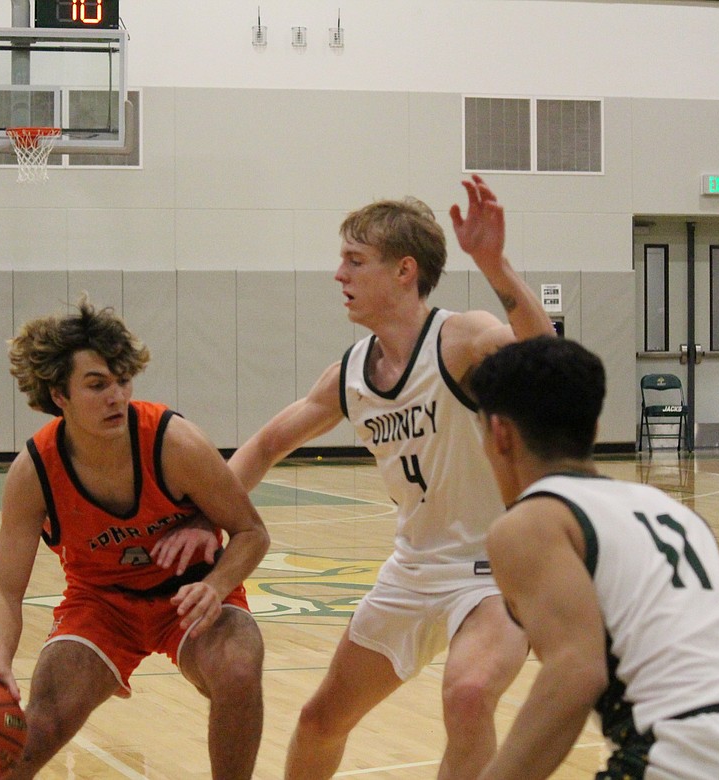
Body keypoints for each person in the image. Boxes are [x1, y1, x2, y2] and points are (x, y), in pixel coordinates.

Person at [223, 174, 555, 779]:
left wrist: (495, 264)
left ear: (405, 271)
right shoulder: (351, 372)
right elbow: (269, 443)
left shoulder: (462, 338)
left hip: (495, 570)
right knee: (321, 720)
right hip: (412, 570)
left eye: (355, 260)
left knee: (469, 695)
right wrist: (199, 518)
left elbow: (547, 360)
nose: (339, 275)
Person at [470, 336, 719, 780]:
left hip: (698, 750)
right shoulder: (676, 511)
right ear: (594, 429)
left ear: (499, 433)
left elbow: (575, 672)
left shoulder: (529, 522)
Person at [0, 298, 271, 780]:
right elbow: (5, 591)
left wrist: (216, 586)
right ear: (60, 395)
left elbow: (252, 532)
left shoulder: (172, 442)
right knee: (37, 729)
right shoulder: (34, 472)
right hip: (101, 606)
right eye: (97, 385)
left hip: (189, 596)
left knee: (239, 672)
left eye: (122, 381)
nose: (116, 396)